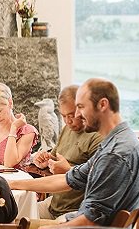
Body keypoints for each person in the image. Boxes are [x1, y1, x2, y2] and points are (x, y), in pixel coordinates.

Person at [10, 79, 139, 227]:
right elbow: (69, 179)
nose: (78, 114)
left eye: (80, 107)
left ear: (102, 105)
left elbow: (90, 221)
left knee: (13, 228)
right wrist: (13, 184)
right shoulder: (118, 139)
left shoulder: (114, 154)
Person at [31, 85, 102, 220]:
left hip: (76, 211)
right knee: (16, 214)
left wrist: (68, 170)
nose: (68, 121)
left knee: (29, 228)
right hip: (54, 204)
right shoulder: (67, 129)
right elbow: (55, 160)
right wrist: (45, 161)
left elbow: (100, 182)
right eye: (63, 116)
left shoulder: (97, 137)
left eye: (71, 115)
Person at [0, 82, 38, 168]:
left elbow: (9, 164)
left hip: (17, 180)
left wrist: (13, 128)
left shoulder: (27, 131)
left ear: (10, 103)